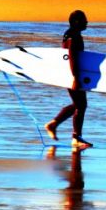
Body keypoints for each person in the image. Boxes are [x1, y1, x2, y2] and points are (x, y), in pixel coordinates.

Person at [44, 10, 93, 148]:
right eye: (84, 19)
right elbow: (72, 56)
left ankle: (56, 126)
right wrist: (75, 77)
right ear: (76, 22)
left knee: (79, 105)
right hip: (72, 74)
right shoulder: (73, 36)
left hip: (71, 73)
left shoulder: (71, 33)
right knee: (80, 105)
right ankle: (74, 137)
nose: (87, 22)